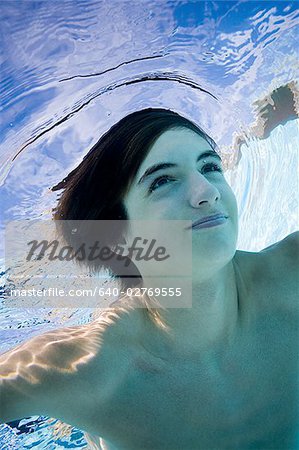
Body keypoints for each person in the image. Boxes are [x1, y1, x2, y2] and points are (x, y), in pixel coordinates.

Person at [0, 108, 298, 450]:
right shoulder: (91, 368)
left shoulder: (293, 276)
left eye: (210, 166)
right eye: (162, 181)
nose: (207, 191)